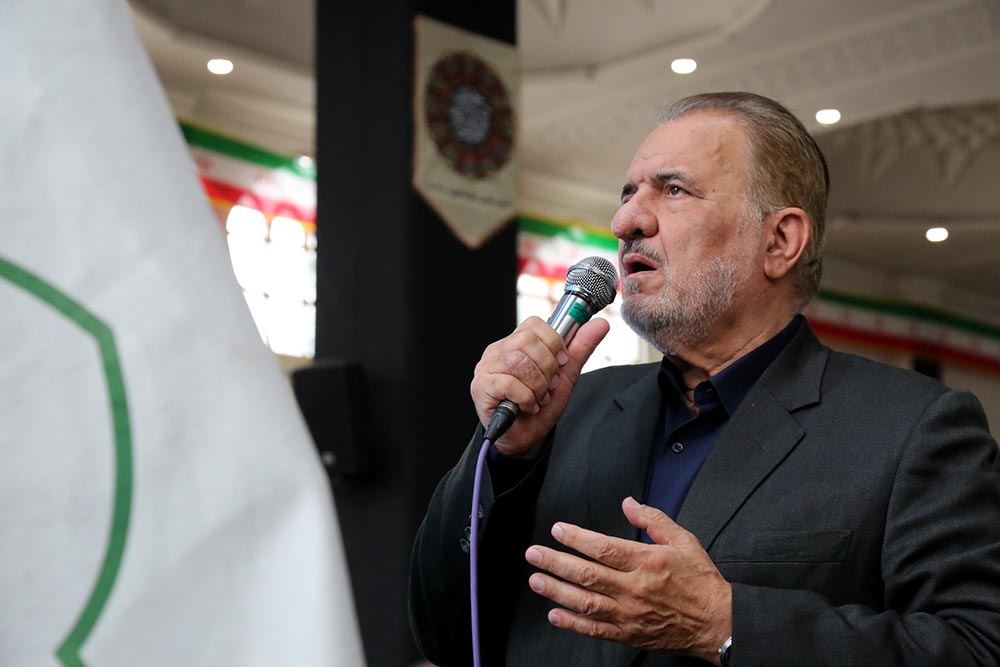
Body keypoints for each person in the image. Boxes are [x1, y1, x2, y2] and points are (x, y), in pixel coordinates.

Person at [409, 92, 1000, 666]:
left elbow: (977, 646)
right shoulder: (567, 411)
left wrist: (724, 624)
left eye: (674, 190)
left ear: (780, 241)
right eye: (628, 193)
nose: (625, 220)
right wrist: (508, 457)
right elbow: (446, 635)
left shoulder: (911, 428)